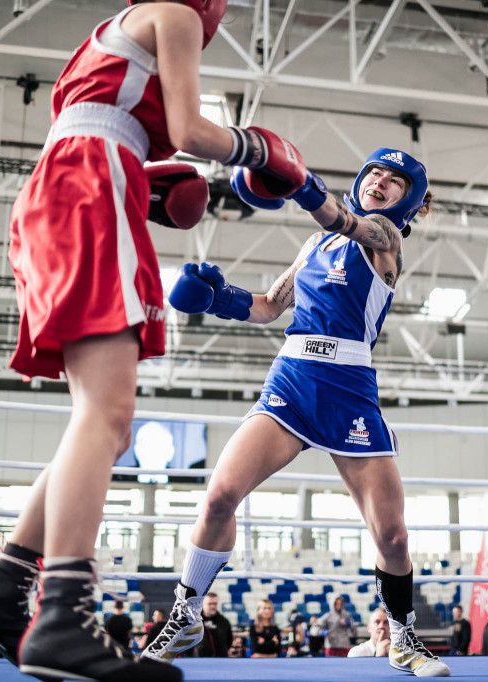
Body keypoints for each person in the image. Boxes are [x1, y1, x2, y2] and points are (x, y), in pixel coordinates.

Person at [0, 0, 308, 678]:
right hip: (90, 186)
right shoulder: (173, 12)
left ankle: (2, 592)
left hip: (72, 184)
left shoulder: (109, 33)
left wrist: (143, 176)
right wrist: (258, 150)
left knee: (103, 425)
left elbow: (98, 121)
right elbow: (191, 130)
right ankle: (63, 616)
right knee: (107, 415)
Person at [143, 147, 448, 677]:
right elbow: (268, 306)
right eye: (375, 171)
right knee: (218, 497)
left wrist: (302, 188)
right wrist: (219, 298)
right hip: (292, 377)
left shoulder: (385, 243)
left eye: (395, 180)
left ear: (409, 200)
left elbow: (347, 221)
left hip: (349, 387)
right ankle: (186, 615)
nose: (381, 181)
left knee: (391, 535)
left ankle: (402, 637)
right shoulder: (314, 244)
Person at [196, 592, 233, 657]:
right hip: (199, 660)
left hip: (221, 659)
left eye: (215, 604)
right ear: (203, 604)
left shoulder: (224, 621)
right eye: (210, 604)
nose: (213, 606)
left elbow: (229, 641)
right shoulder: (195, 621)